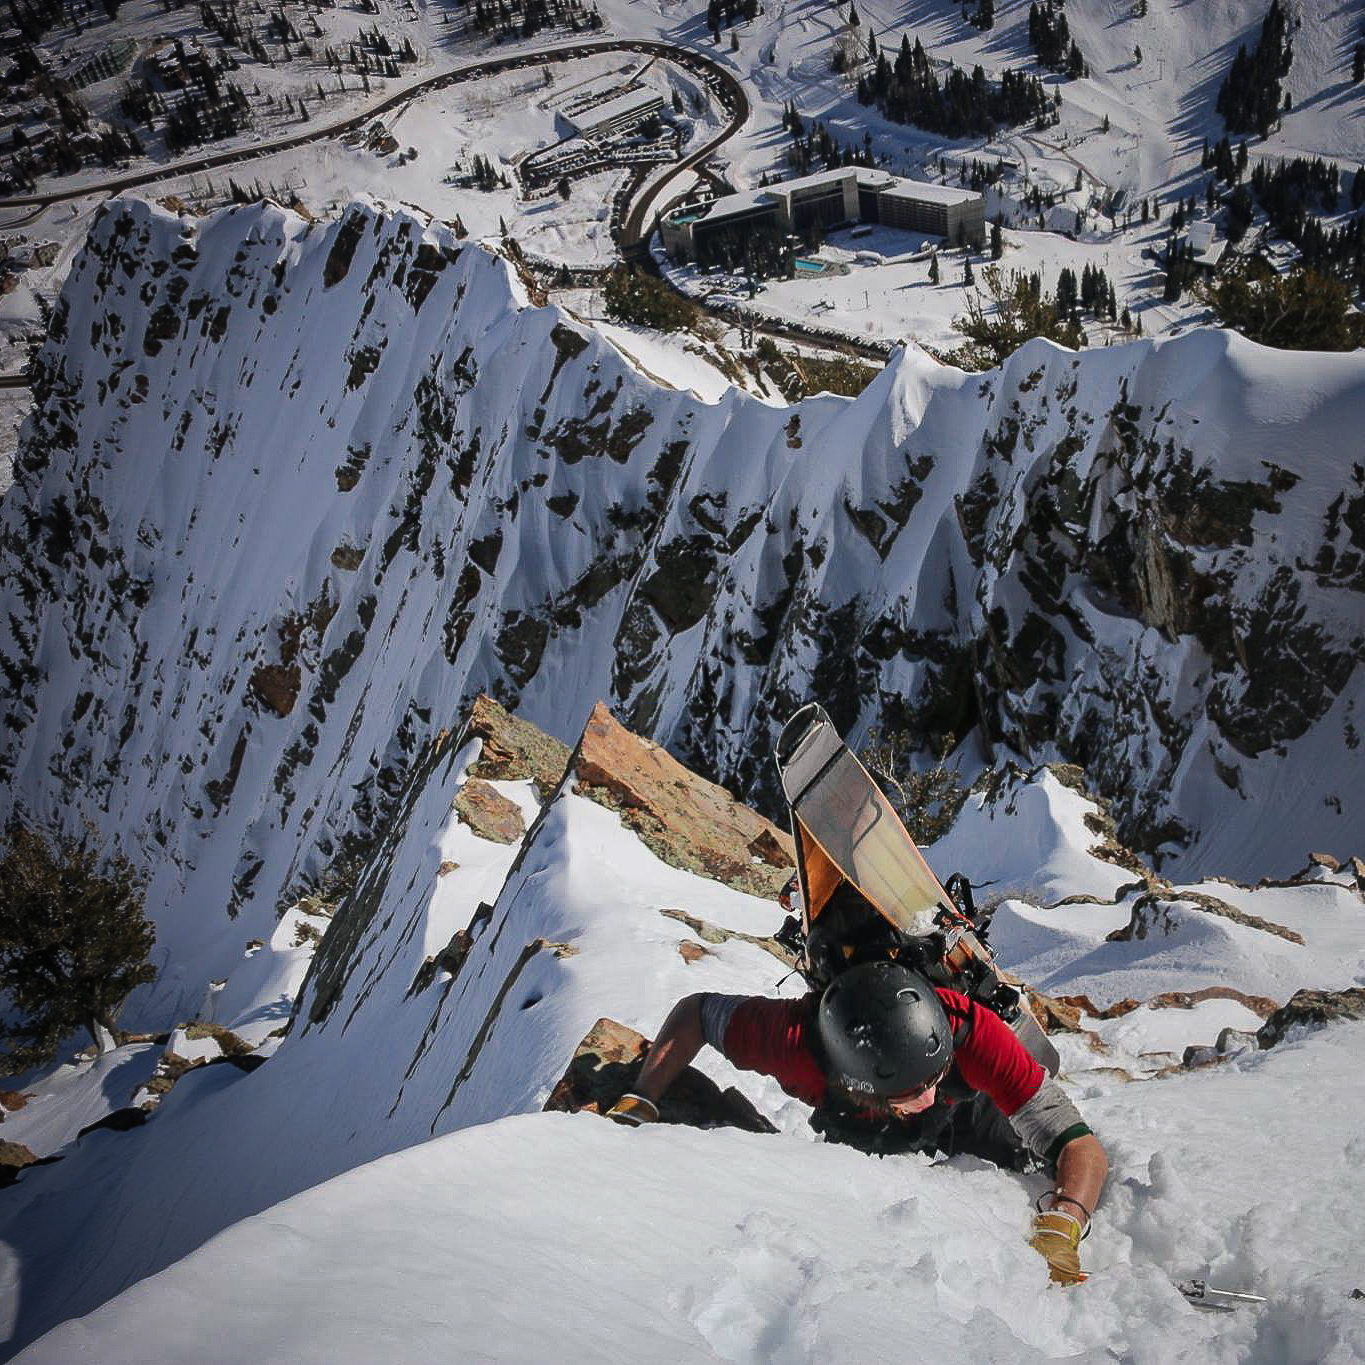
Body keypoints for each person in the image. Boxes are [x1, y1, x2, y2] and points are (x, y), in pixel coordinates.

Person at [606, 959, 1108, 1285]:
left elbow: (1079, 1145)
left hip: (971, 1107)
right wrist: (641, 1097)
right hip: (857, 1125)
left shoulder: (973, 1032)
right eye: (911, 1091)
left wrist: (1065, 1218)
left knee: (1021, 1153)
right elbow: (696, 1013)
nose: (929, 1095)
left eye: (934, 1077)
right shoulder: (790, 1040)